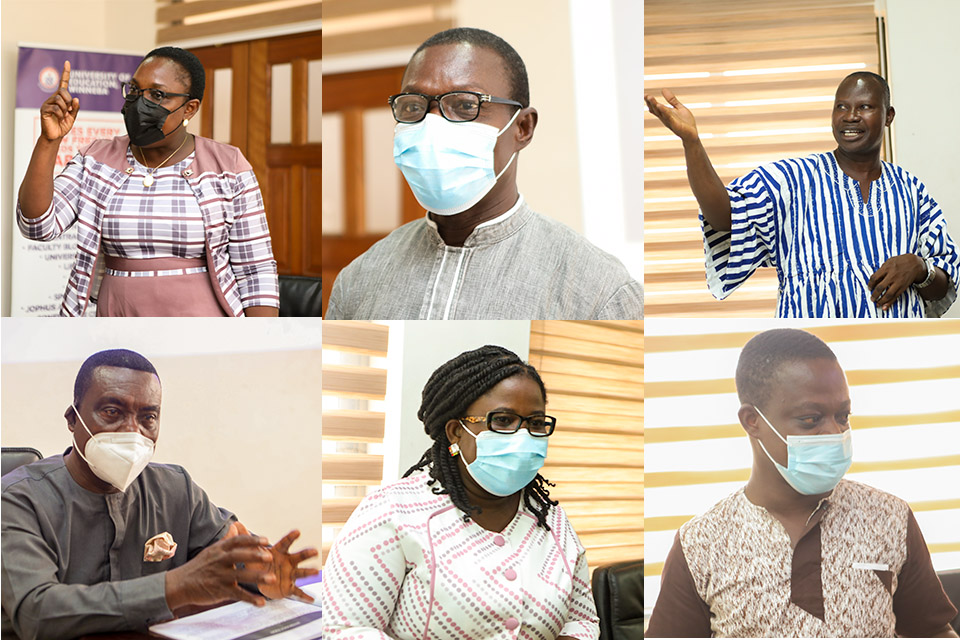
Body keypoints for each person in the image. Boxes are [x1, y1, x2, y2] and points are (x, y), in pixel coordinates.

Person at [645, 329, 958, 638]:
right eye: (811, 419)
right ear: (752, 421)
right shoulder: (701, 543)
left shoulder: (889, 517)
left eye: (843, 415)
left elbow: (932, 632)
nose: (835, 433)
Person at [326, 28, 643, 320]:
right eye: (413, 107)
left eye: (465, 106)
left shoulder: (599, 291)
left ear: (522, 127)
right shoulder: (358, 279)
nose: (431, 125)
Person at [1, 349, 317, 640]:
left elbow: (226, 559)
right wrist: (174, 587)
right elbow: (35, 611)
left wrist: (262, 575)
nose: (132, 431)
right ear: (73, 419)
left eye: (148, 418)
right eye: (112, 412)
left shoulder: (175, 487)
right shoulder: (18, 498)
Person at [321, 345, 600, 639]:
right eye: (503, 420)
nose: (523, 435)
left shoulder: (552, 519)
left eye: (535, 423)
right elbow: (345, 629)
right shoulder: (391, 512)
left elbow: (582, 621)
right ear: (455, 431)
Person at [644, 72, 960, 317]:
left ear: (888, 116)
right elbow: (725, 215)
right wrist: (692, 143)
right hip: (814, 358)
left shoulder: (911, 189)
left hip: (894, 355)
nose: (850, 116)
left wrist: (920, 267)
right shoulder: (792, 179)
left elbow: (945, 283)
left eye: (864, 106)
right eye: (841, 107)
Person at [17, 47, 279, 317]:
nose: (140, 103)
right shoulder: (95, 159)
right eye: (134, 91)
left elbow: (256, 271)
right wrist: (49, 141)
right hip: (116, 321)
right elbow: (37, 225)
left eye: (156, 95)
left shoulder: (228, 166)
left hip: (203, 326)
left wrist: (261, 344)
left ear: (189, 108)